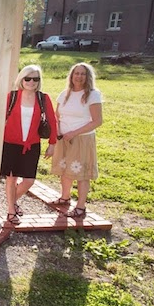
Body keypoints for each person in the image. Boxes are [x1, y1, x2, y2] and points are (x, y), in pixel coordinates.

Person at [0, 65, 58, 225]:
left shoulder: (43, 98)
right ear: (21, 79)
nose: (31, 82)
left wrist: (52, 143)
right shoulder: (12, 96)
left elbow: (52, 121)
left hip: (32, 144)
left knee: (29, 180)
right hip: (10, 144)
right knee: (11, 178)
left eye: (35, 79)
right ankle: (11, 210)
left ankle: (12, 201)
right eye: (28, 78)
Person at [51, 62, 103, 218]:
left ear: (88, 77)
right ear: (71, 76)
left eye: (83, 74)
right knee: (65, 170)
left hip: (82, 139)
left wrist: (74, 133)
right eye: (76, 73)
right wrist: (58, 133)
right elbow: (56, 116)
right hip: (64, 138)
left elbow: (97, 121)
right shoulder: (64, 93)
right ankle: (64, 197)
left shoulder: (93, 95)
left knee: (81, 174)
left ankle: (81, 206)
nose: (79, 77)